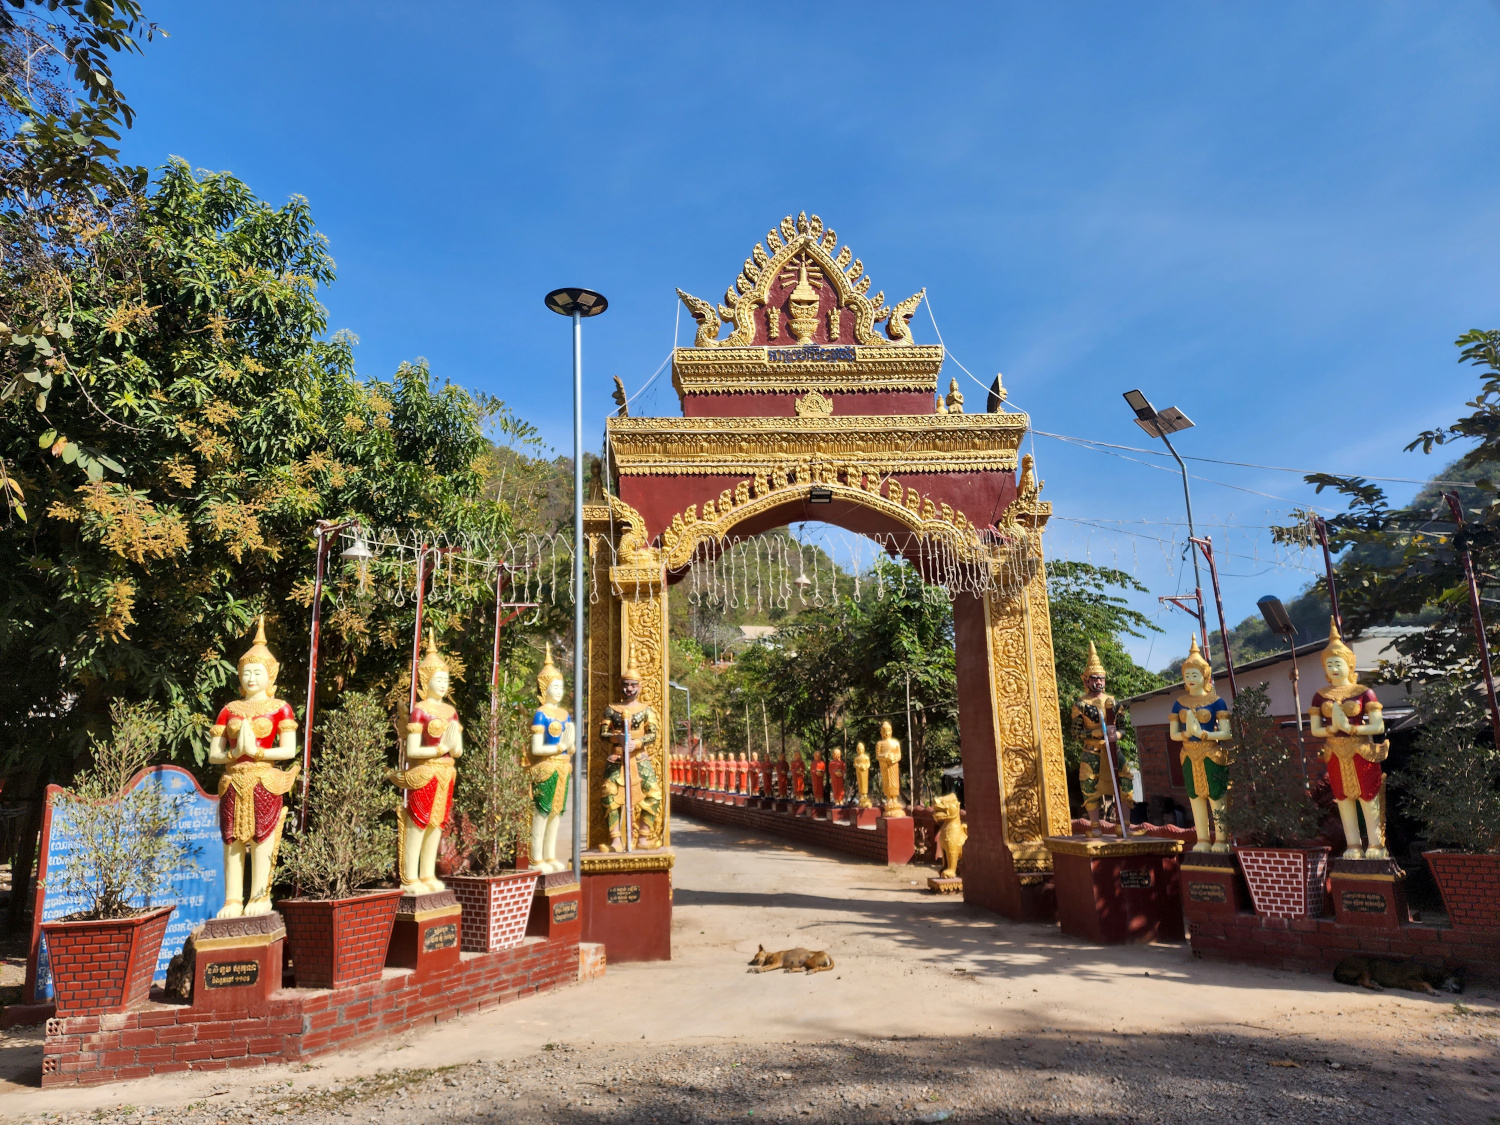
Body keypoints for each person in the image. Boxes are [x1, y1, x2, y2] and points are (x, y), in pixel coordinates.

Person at [207, 616, 299, 918]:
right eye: (246, 672)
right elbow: (213, 755)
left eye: (257, 672)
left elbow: (288, 750)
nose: (250, 678)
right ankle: (232, 899)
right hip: (233, 779)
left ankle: (260, 895)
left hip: (264, 778)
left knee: (263, 836)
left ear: (270, 676)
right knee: (231, 839)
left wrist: (257, 751)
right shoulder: (229, 710)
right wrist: (235, 754)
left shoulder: (279, 708)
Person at [389, 631, 464, 895]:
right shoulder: (420, 710)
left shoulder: (450, 711)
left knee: (437, 824)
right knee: (418, 822)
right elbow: (413, 749)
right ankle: (410, 877)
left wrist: (452, 747)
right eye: (438, 679)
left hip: (445, 774)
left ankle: (427, 873)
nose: (443, 684)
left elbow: (458, 749)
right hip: (424, 774)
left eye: (446, 679)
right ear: (425, 681)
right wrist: (441, 747)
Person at [1310, 619, 1389, 859]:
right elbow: (1315, 730)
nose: (1334, 667)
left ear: (1349, 664)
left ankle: (1376, 844)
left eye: (1338, 662)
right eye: (1330, 663)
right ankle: (1353, 844)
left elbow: (1378, 725)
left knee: (1368, 797)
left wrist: (1351, 729)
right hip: (1335, 752)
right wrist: (1334, 729)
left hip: (1360, 751)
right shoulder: (1320, 696)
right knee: (1342, 799)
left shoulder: (1364, 692)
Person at [1169, 637, 1232, 853]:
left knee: (1217, 796)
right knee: (1195, 797)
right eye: (1187, 675)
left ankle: (1222, 839)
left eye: (1195, 674)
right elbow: (1173, 735)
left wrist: (1204, 734)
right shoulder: (1179, 703)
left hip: (1212, 753)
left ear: (1204, 675)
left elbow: (1226, 732)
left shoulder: (1216, 701)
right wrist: (1187, 733)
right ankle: (1203, 839)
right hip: (1188, 754)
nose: (1191, 679)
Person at [599, 654, 662, 851]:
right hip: (617, 756)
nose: (629, 689)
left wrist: (636, 743)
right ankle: (615, 840)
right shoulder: (611, 709)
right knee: (609, 794)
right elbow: (603, 733)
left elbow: (653, 734)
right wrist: (616, 738)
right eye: (626, 685)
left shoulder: (646, 710)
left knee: (654, 794)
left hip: (639, 756)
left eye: (633, 685)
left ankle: (643, 838)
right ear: (621, 686)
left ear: (640, 687)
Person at [1070, 641, 1132, 837]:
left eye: (1101, 679)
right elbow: (1075, 733)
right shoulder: (1081, 703)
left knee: (1126, 782)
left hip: (1113, 749)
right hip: (1092, 750)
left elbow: (1123, 728)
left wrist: (1117, 735)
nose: (1098, 682)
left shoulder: (1113, 701)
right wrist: (1092, 734)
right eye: (1094, 679)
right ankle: (1095, 826)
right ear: (1086, 680)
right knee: (1089, 786)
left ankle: (1125, 825)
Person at [527, 645, 573, 874]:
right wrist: (561, 747)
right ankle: (536, 857)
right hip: (545, 767)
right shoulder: (541, 713)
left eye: (561, 686)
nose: (559, 690)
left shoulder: (565, 714)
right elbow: (536, 748)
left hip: (563, 768)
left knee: (557, 812)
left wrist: (570, 745)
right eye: (555, 686)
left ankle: (550, 854)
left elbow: (569, 745)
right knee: (542, 811)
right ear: (544, 688)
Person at [876, 720, 906, 817]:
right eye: (884, 731)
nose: (886, 733)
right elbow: (878, 756)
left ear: (891, 731)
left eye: (888, 730)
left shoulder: (895, 743)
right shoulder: (879, 743)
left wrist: (893, 759)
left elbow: (899, 755)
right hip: (884, 765)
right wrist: (885, 757)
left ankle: (895, 799)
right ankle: (889, 799)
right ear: (881, 732)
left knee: (894, 782)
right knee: (886, 781)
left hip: (893, 765)